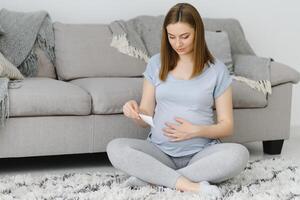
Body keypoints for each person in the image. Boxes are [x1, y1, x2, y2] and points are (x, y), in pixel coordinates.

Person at [106, 3, 249, 198]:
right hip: (159, 151)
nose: (177, 44)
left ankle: (152, 178)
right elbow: (145, 116)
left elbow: (227, 126)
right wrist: (135, 112)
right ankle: (189, 185)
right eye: (171, 37)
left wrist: (196, 130)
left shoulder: (217, 70)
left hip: (201, 154)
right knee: (115, 148)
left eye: (185, 37)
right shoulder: (156, 63)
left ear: (198, 33)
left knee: (239, 154)